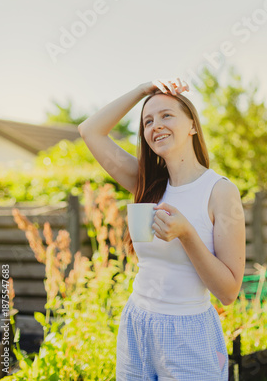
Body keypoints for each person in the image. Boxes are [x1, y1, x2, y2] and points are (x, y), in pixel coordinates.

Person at [78, 77, 246, 381]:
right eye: (148, 121)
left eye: (167, 115)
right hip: (137, 323)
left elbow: (228, 291)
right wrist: (144, 89)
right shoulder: (146, 182)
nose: (156, 125)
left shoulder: (220, 191)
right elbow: (89, 130)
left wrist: (186, 234)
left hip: (188, 331)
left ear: (193, 125)